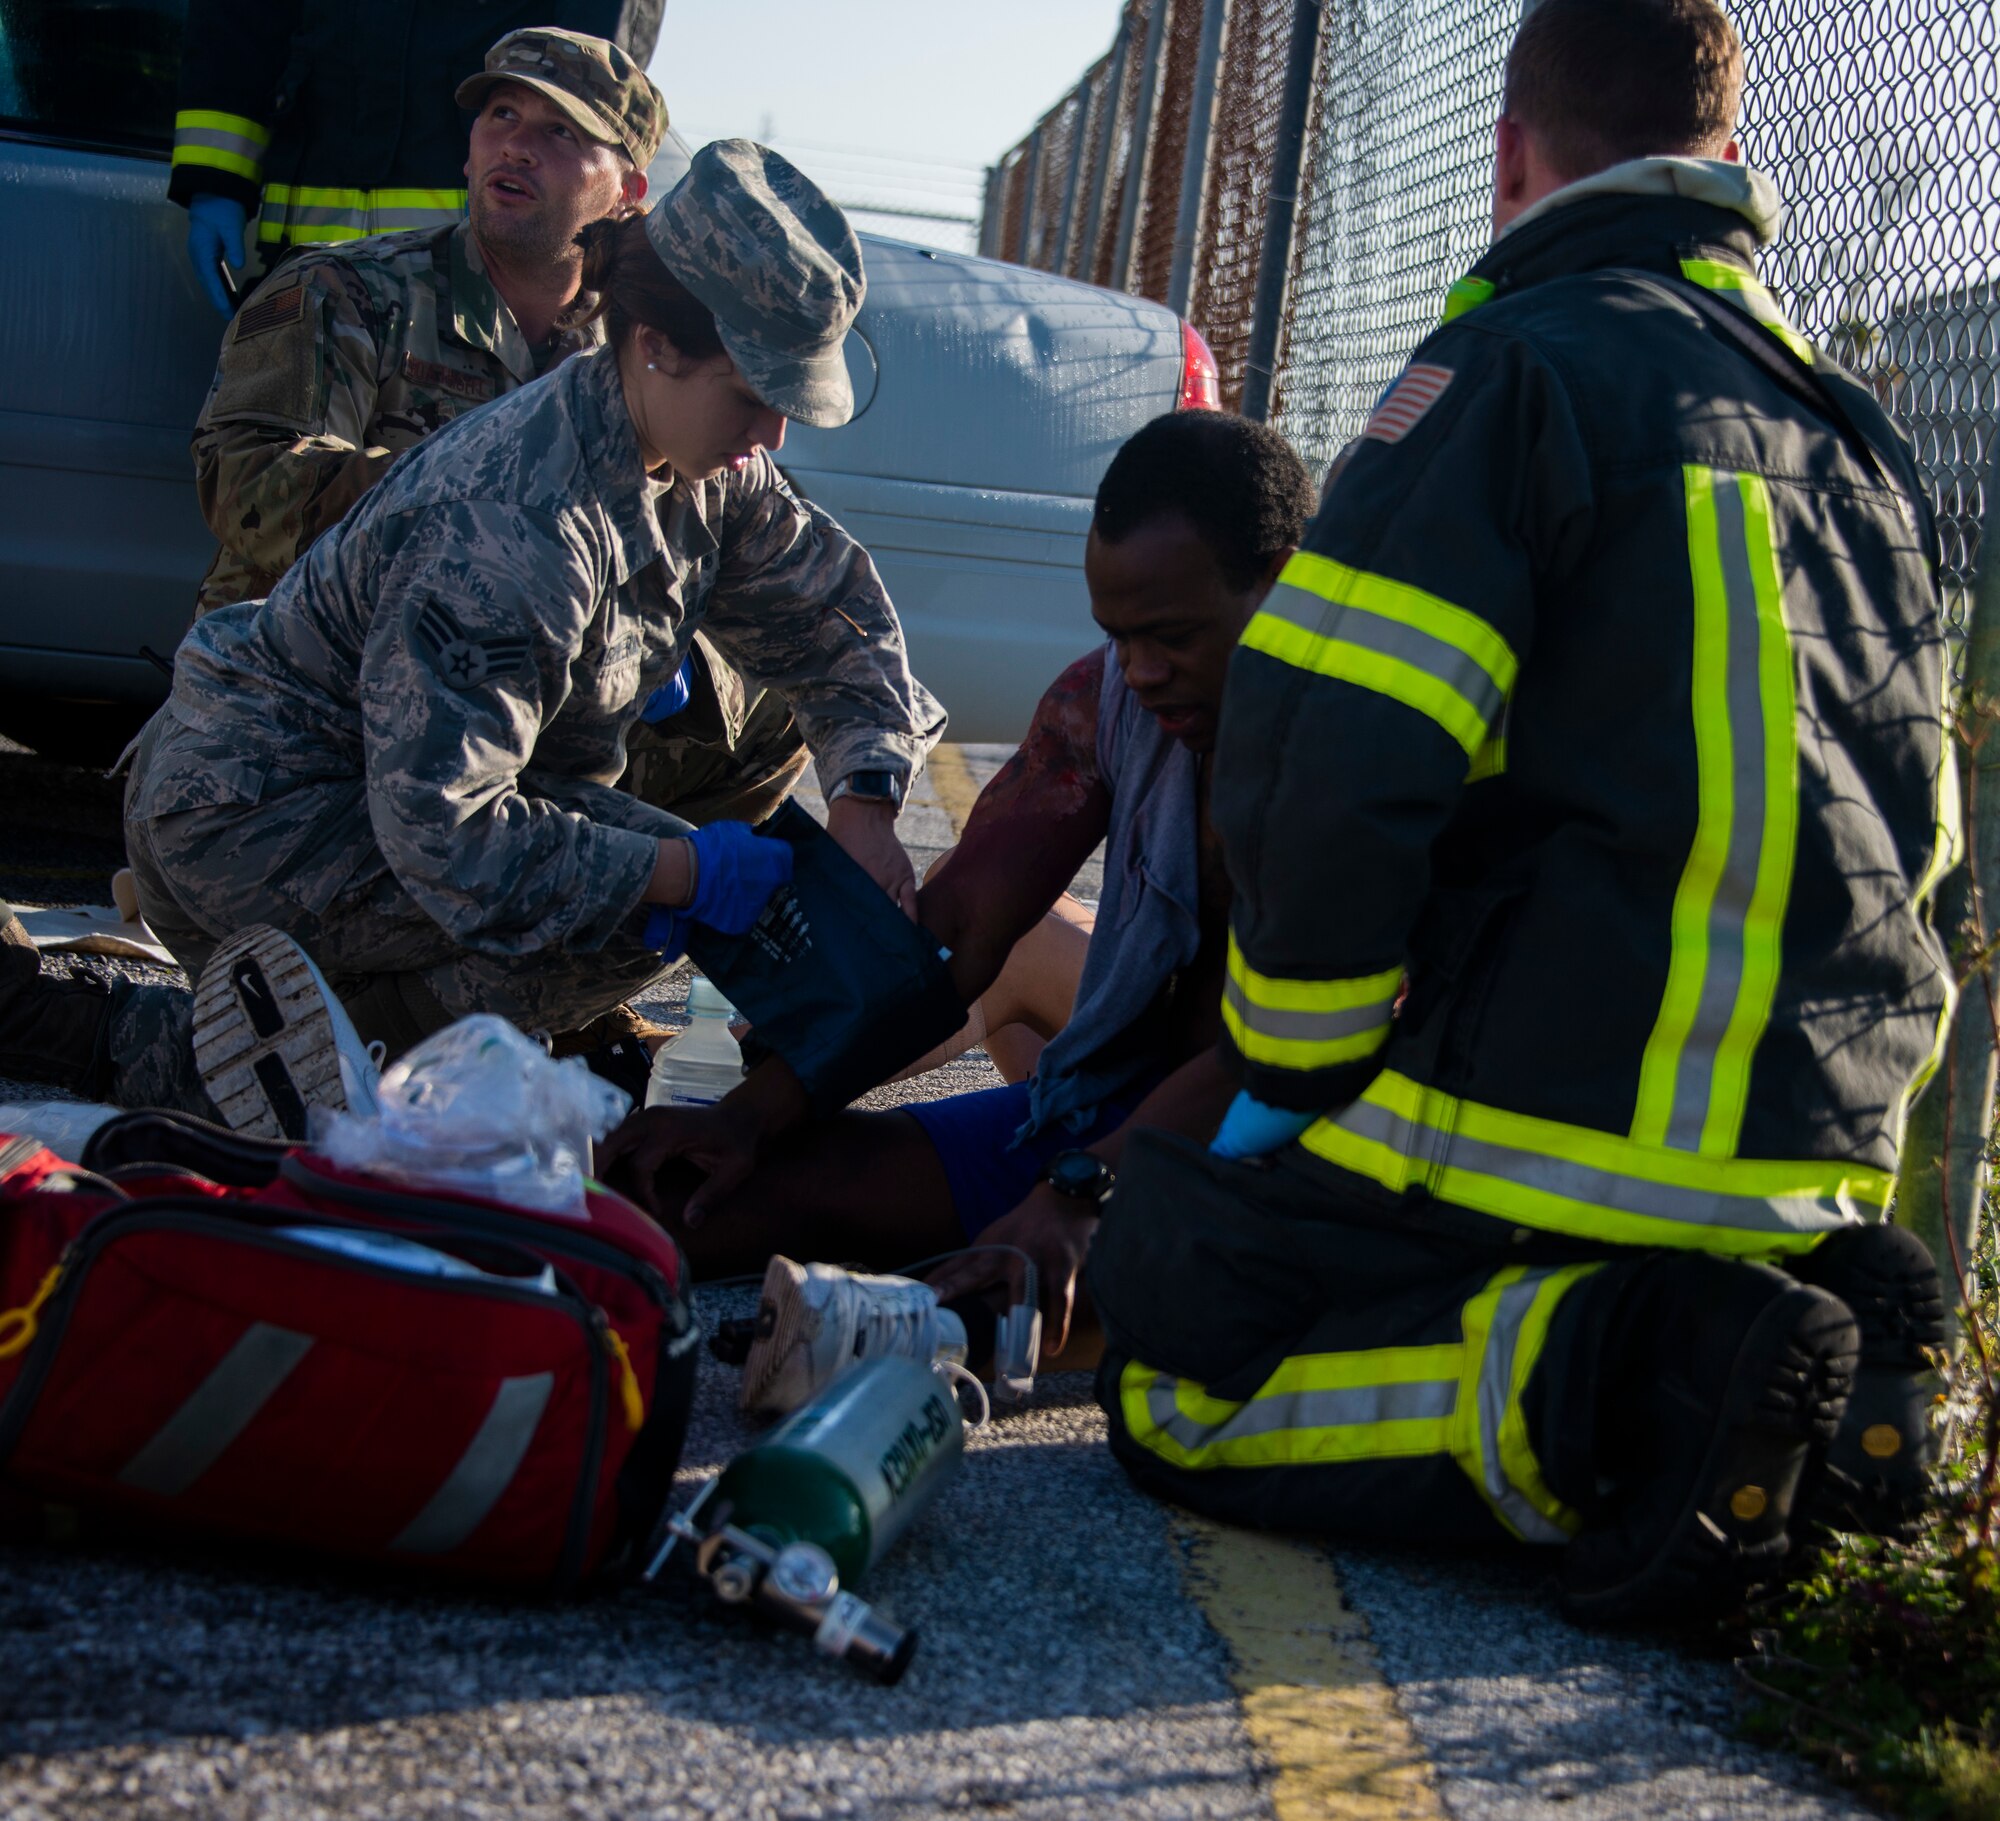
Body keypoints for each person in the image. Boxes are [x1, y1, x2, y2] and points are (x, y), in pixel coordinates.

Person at [1055, 0, 1953, 1626]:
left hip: (1560, 1132)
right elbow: (1925, 828)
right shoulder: (1857, 436)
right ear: (1728, 162)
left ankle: (1609, 1389)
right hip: (1818, 1142)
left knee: (1174, 1344)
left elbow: (1325, 753)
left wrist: (1299, 1066)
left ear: (1510, 155)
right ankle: (1819, 1319)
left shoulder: (1509, 372)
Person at [2, 142, 943, 1133]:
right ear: (657, 344)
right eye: (755, 394)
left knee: (659, 879)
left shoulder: (694, 456)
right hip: (256, 815)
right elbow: (449, 838)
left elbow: (829, 610)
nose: (775, 435)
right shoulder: (511, 527)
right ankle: (159, 1045)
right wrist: (679, 878)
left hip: (383, 793)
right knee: (650, 893)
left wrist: (868, 803)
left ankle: (396, 1035)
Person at [598, 412, 1317, 1314]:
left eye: (1170, 636)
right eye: (1117, 636)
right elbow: (962, 931)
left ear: (1283, 583)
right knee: (672, 1204)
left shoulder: (1359, 754)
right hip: (1112, 1114)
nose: (1137, 671)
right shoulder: (1100, 702)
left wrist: (1076, 1194)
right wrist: (750, 1116)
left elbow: (1279, 1056)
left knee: (989, 1306)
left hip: (1292, 1160)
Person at [186, 28, 809, 839]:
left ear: (628, 189)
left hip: (514, 694)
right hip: (328, 686)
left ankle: (571, 898)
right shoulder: (340, 292)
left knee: (765, 720)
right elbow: (244, 484)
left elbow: (733, 531)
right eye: (501, 115)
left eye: (560, 132)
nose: (515, 146)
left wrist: (679, 650)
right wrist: (494, 511)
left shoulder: (646, 348)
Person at [170, 1, 662, 314]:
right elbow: (239, 23)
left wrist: (558, 238)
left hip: (477, 296)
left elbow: (597, 84)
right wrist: (217, 175)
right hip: (299, 276)